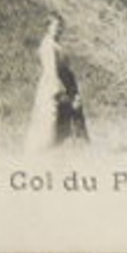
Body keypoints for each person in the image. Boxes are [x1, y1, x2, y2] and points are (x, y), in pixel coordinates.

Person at [24, 15, 89, 152]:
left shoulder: (56, 44)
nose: (58, 29)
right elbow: (51, 69)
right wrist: (58, 90)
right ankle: (43, 151)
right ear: (48, 27)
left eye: (60, 26)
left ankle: (68, 151)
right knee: (50, 119)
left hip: (65, 82)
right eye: (55, 26)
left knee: (68, 117)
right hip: (53, 84)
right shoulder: (48, 46)